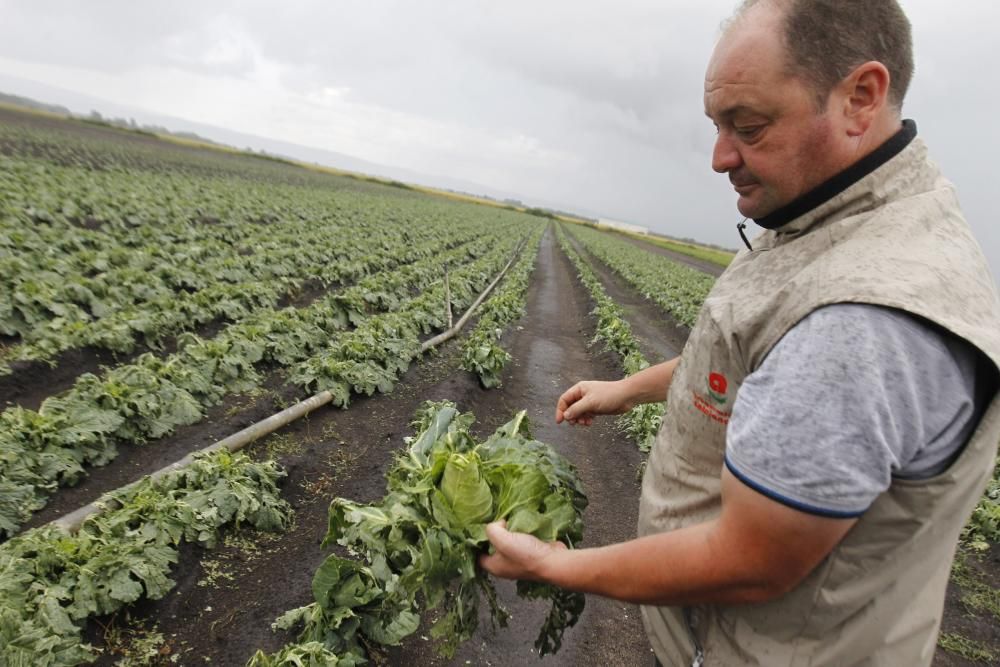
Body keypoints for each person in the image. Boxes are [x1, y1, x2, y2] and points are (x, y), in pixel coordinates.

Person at [480, 0, 1000, 665]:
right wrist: (629, 388)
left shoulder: (863, 323)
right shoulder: (824, 217)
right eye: (717, 125)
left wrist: (556, 566)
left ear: (860, 98)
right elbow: (767, 364)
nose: (721, 156)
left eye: (748, 125)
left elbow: (752, 560)